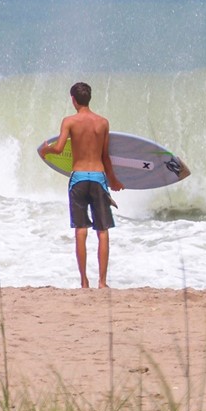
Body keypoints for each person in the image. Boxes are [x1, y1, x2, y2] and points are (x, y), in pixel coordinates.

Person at [37, 82, 125, 289]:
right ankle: (102, 282)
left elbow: (59, 149)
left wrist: (44, 150)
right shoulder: (102, 123)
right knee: (102, 231)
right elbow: (105, 157)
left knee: (80, 230)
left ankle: (84, 281)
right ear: (89, 98)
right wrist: (114, 181)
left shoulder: (69, 121)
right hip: (98, 177)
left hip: (78, 179)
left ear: (73, 100)